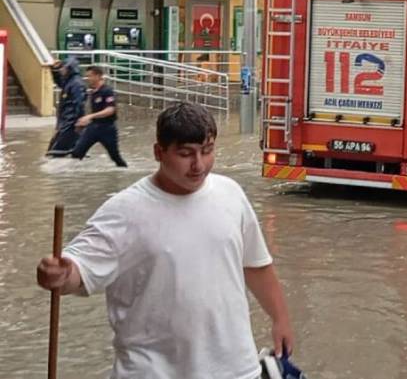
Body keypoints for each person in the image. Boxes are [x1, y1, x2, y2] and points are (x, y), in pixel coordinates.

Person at [36, 102, 294, 378]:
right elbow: (79, 271)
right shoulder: (125, 211)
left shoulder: (231, 193)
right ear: (159, 152)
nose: (198, 165)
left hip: (237, 369)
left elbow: (255, 265)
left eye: (207, 151)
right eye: (185, 154)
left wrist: (280, 318)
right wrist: (60, 274)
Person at [70, 66, 127, 167]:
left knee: (115, 157)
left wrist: (90, 116)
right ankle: (75, 174)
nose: (87, 79)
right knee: (77, 153)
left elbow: (110, 110)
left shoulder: (107, 91)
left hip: (107, 129)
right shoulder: (93, 92)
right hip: (93, 128)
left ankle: (124, 170)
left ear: (98, 76)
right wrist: (83, 122)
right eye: (87, 76)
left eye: (90, 76)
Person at [46, 56, 87, 157]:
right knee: (56, 151)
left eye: (64, 68)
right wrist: (55, 69)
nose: (62, 70)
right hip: (65, 123)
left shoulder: (76, 84)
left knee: (55, 152)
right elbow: (60, 82)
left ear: (70, 68)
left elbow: (79, 104)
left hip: (70, 124)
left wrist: (78, 123)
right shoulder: (69, 81)